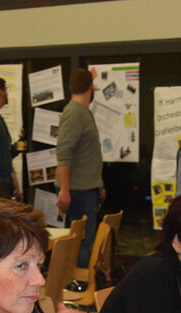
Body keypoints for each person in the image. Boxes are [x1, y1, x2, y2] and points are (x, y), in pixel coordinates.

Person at [56, 68, 105, 267]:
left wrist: (98, 184)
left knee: (87, 240)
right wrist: (65, 189)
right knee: (83, 241)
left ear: (70, 87)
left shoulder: (83, 112)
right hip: (78, 191)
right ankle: (79, 285)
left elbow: (87, 155)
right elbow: (64, 152)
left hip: (87, 187)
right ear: (91, 87)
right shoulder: (74, 113)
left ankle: (81, 281)